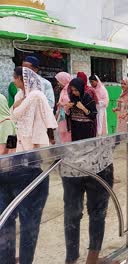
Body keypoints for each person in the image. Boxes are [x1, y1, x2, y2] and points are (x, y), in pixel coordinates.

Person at [0, 67, 57, 264]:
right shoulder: (22, 94)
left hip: (28, 158)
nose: (13, 81)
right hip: (15, 160)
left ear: (21, 78)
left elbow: (42, 121)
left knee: (26, 222)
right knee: (9, 219)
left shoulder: (35, 96)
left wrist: (17, 105)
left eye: (15, 78)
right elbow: (14, 114)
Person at [60, 125, 114, 264]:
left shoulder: (59, 103)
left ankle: (72, 260)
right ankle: (91, 260)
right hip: (98, 162)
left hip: (71, 164)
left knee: (72, 214)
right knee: (97, 214)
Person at [55, 72, 72, 143]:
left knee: (67, 134)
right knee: (62, 133)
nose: (58, 83)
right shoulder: (63, 90)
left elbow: (71, 102)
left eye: (59, 81)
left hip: (68, 117)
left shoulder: (70, 90)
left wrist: (62, 104)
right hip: (62, 116)